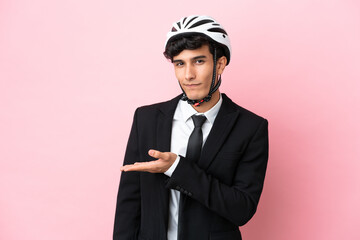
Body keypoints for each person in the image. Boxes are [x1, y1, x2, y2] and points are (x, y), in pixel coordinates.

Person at [113, 15, 269, 240]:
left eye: (199, 61)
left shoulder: (251, 127)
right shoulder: (146, 119)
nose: (188, 75)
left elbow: (242, 209)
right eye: (180, 64)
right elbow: (129, 205)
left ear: (220, 63)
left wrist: (177, 168)